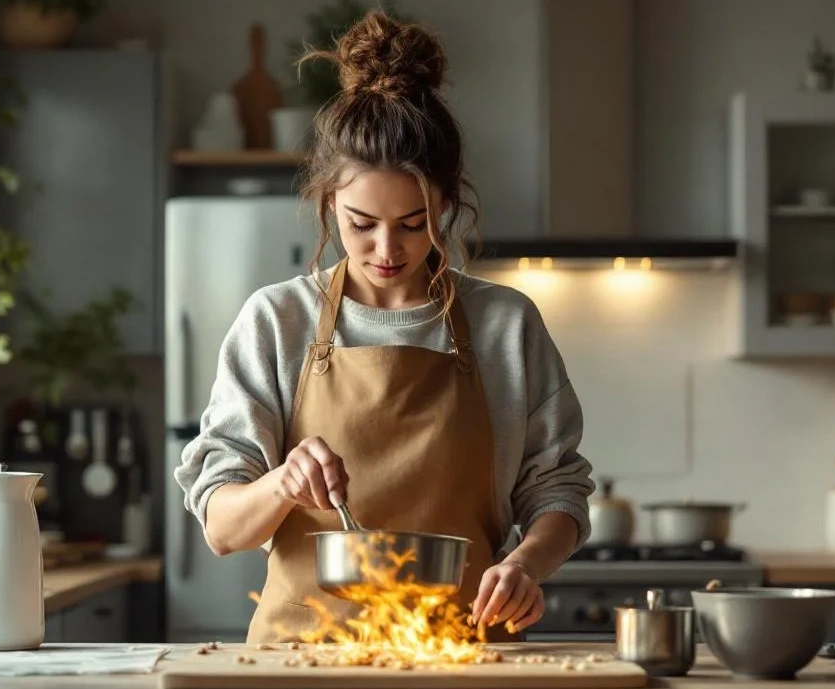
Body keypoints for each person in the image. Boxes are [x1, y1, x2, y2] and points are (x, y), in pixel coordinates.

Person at [174, 10, 593, 645]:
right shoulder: (277, 321)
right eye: (361, 222)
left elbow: (558, 494)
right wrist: (282, 482)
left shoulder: (506, 325)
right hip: (301, 667)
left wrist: (525, 565)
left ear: (446, 207)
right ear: (326, 204)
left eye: (414, 222)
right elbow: (224, 530)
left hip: (463, 659)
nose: (386, 248)